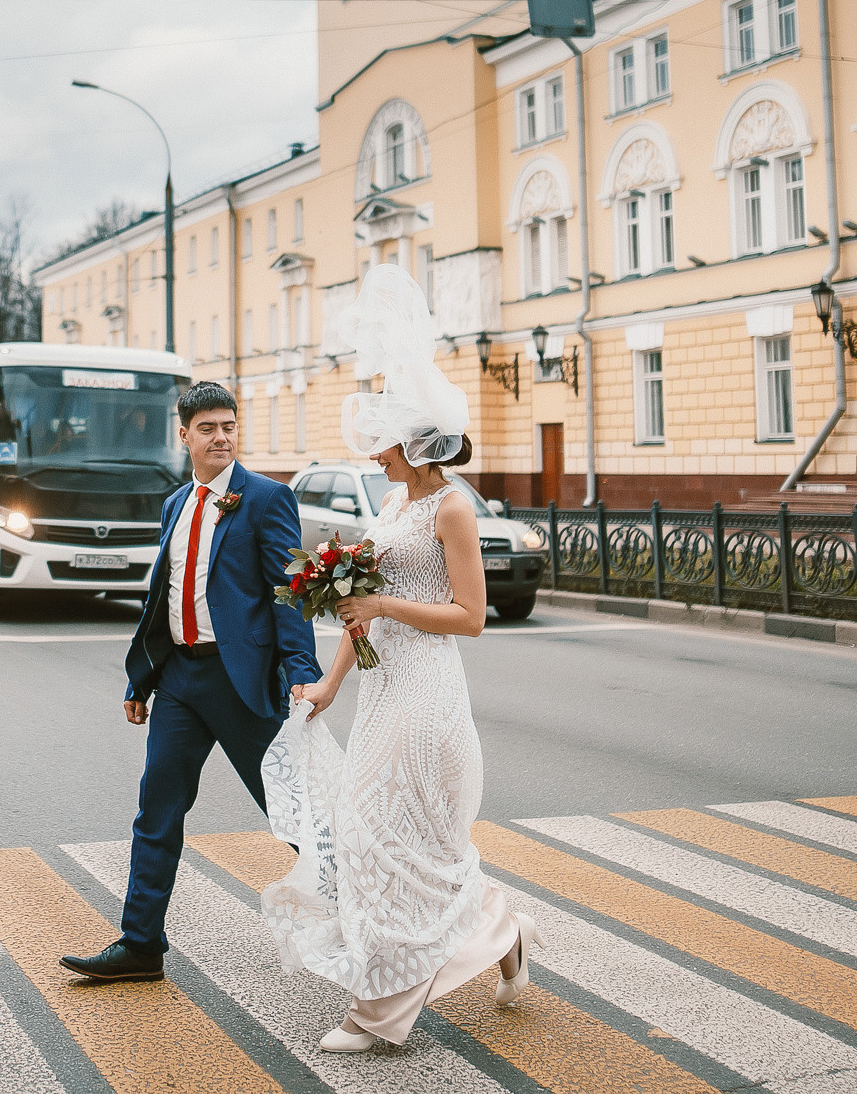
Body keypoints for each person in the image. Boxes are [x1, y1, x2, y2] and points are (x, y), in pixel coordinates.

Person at [258, 264, 534, 1055]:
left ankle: (379, 1016)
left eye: (384, 441)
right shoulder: (392, 504)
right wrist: (327, 685)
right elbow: (357, 608)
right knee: (395, 837)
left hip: (427, 693)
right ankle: (501, 929)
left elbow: (471, 617)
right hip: (381, 690)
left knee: (384, 836)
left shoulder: (451, 506)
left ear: (416, 443)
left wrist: (380, 605)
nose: (374, 453)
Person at [57, 380, 321, 986]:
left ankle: (367, 917)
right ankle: (141, 943)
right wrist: (142, 681)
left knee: (289, 812)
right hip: (179, 679)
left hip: (242, 681)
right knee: (157, 809)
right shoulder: (175, 505)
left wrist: (301, 676)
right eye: (208, 428)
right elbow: (163, 599)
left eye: (229, 426)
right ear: (184, 435)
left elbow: (289, 593)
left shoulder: (267, 498)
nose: (221, 437)